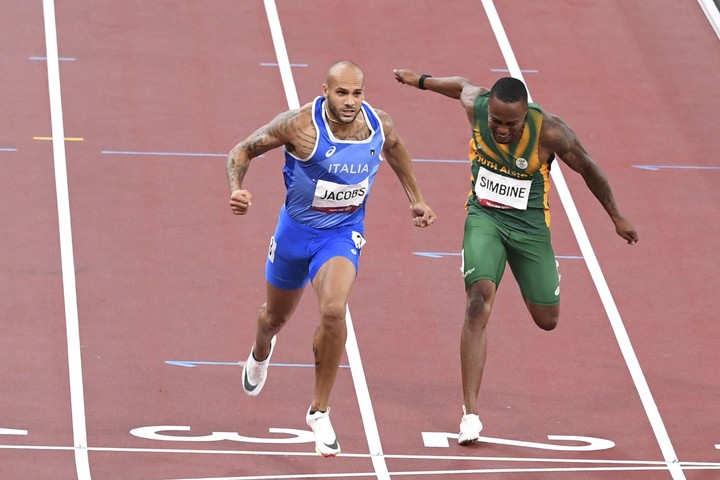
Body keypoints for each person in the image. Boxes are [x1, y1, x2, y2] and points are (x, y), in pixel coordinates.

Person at [393, 69, 638, 446]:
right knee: (478, 304)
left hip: (529, 229)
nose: (502, 130)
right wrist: (420, 80)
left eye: (511, 124)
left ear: (525, 116)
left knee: (547, 320)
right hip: (484, 218)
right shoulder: (476, 105)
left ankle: (542, 273)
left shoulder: (551, 132)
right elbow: (459, 85)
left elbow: (589, 168)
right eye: (496, 122)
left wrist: (616, 216)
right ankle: (470, 414)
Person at [227, 61, 437, 457]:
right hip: (294, 233)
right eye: (342, 93)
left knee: (334, 310)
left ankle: (318, 411)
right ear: (325, 90)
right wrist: (236, 189)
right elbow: (243, 150)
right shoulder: (299, 126)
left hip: (340, 235)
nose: (350, 102)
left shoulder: (378, 125)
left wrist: (417, 199)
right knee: (273, 319)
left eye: (357, 93)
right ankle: (260, 351)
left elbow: (396, 150)